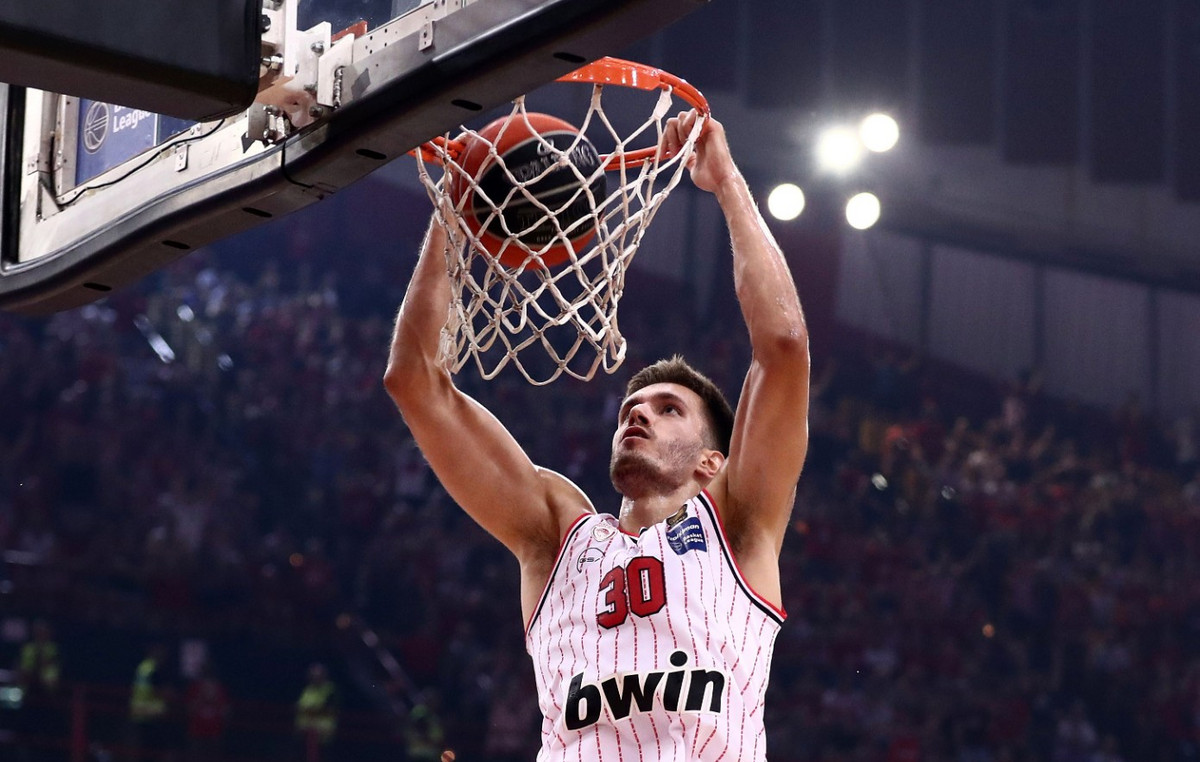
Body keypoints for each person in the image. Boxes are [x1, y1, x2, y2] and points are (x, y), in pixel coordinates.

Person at [384, 110, 810, 760]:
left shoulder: (740, 523)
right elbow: (414, 381)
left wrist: (726, 182)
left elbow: (783, 347)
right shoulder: (558, 534)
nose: (637, 415)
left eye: (669, 410)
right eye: (630, 408)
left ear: (712, 461)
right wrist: (453, 209)